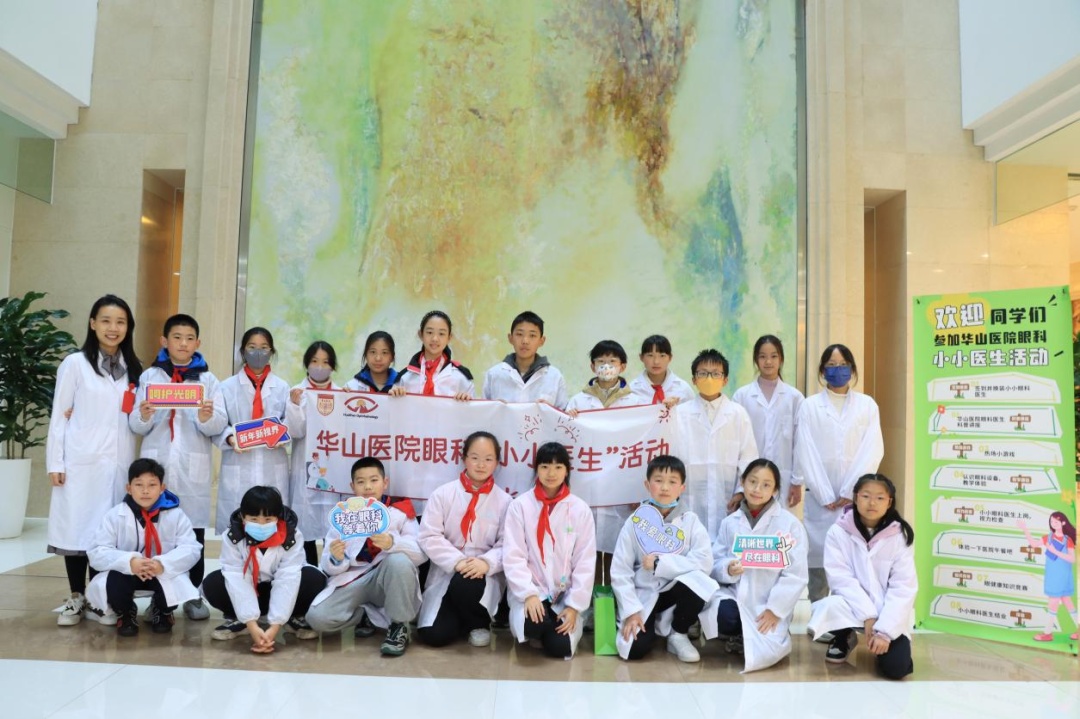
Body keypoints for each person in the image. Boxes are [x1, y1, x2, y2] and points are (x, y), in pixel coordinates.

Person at [46, 294, 142, 626]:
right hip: (80, 462)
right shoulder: (75, 364)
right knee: (77, 529)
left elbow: (136, 419)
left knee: (106, 533)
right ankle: (76, 597)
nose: (113, 328)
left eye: (120, 322)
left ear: (128, 327)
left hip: (118, 464)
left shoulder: (134, 369)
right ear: (92, 323)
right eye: (106, 321)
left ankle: (100, 599)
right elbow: (59, 415)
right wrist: (55, 463)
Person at [128, 313, 226, 621]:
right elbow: (136, 425)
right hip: (156, 467)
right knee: (159, 531)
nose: (183, 344)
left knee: (193, 535)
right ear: (164, 341)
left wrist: (207, 417)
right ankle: (159, 598)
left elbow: (218, 425)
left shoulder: (208, 380)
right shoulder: (150, 377)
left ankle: (192, 595)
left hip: (192, 470)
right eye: (177, 337)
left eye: (189, 338)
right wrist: (145, 414)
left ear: (198, 343)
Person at [306, 457, 426, 656]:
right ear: (352, 486)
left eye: (374, 480)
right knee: (317, 618)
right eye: (361, 482)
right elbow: (327, 565)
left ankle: (398, 625)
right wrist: (337, 558)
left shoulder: (400, 511)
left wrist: (393, 543)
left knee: (399, 561)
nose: (368, 487)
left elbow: (421, 554)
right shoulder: (344, 515)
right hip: (354, 579)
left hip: (386, 578)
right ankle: (364, 615)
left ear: (385, 483)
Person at [793, 344, 883, 602]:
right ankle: (819, 612)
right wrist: (824, 494)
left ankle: (849, 615)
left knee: (852, 561)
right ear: (822, 371)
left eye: (843, 365)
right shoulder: (810, 406)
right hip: (820, 499)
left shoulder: (867, 405)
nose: (837, 370)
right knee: (819, 561)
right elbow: (805, 450)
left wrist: (851, 491)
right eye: (831, 365)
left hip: (855, 499)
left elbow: (872, 449)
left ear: (852, 369)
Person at [807, 473, 916, 680]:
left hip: (886, 609)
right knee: (830, 605)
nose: (872, 503)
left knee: (897, 669)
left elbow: (903, 587)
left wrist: (885, 631)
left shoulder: (898, 535)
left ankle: (881, 638)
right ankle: (844, 635)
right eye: (866, 496)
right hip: (851, 605)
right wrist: (868, 615)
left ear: (889, 502)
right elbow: (841, 580)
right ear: (856, 498)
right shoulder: (838, 532)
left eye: (880, 498)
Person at [611, 455, 719, 663]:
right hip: (644, 593)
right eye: (658, 480)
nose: (665, 488)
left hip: (675, 591)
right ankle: (649, 626)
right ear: (647, 485)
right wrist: (631, 611)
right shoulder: (635, 522)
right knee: (634, 650)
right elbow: (620, 570)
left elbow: (704, 561)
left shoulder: (690, 521)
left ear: (682, 488)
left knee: (701, 581)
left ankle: (678, 633)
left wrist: (661, 564)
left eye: (672, 482)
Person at [201, 486, 326, 652]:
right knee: (213, 583)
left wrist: (275, 626)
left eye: (268, 520)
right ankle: (241, 621)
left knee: (314, 579)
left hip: (280, 589)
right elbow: (237, 578)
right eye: (253, 519)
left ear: (278, 517)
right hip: (252, 590)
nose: (261, 525)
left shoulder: (292, 536)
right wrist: (251, 624)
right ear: (243, 517)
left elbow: (288, 578)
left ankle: (292, 617)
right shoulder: (233, 537)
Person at [417, 431, 512, 647]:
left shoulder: (505, 501)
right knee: (434, 636)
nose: (481, 465)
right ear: (464, 458)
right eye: (475, 457)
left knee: (467, 583)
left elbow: (508, 544)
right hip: (447, 570)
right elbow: (429, 535)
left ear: (497, 462)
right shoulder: (443, 494)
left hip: (481, 576)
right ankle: (458, 617)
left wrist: (486, 563)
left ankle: (477, 623)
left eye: (488, 459)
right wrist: (457, 561)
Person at [712, 459, 808, 671]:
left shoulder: (789, 525)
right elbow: (716, 561)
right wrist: (728, 568)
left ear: (775, 490)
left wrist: (775, 609)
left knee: (768, 648)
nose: (757, 489)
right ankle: (736, 632)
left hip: (769, 601)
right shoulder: (730, 522)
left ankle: (761, 629)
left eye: (766, 485)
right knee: (721, 614)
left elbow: (796, 574)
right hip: (736, 595)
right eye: (752, 481)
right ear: (742, 482)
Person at [502, 442, 596, 658]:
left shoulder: (580, 509)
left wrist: (573, 606)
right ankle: (540, 626)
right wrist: (528, 594)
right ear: (536, 469)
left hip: (564, 594)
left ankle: (551, 626)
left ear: (567, 471)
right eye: (545, 466)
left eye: (558, 467)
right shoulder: (521, 506)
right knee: (532, 626)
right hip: (532, 590)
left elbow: (585, 561)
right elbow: (513, 555)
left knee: (560, 648)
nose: (551, 473)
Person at [87, 458, 201, 636]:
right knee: (113, 581)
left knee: (176, 578)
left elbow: (191, 548)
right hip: (128, 573)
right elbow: (97, 551)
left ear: (162, 488)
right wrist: (129, 562)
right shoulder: (115, 515)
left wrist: (162, 564)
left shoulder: (176, 515)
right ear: (128, 488)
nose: (145, 491)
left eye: (152, 485)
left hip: (160, 571)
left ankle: (162, 611)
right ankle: (125, 613)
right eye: (139, 484)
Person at [213, 327, 302, 535]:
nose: (258, 353)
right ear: (243, 351)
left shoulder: (282, 387)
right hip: (238, 463)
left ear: (272, 352)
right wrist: (230, 438)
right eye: (252, 347)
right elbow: (218, 425)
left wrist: (282, 435)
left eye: (264, 348)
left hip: (272, 465)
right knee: (237, 530)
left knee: (273, 527)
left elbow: (289, 424)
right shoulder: (226, 387)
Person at [565, 340, 641, 556]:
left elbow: (643, 443)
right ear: (592, 366)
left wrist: (637, 489)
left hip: (621, 482)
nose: (606, 366)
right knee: (584, 545)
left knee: (618, 547)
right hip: (588, 480)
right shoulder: (578, 401)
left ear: (622, 366)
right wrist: (567, 419)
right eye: (601, 361)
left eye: (612, 361)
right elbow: (567, 437)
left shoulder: (636, 402)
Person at [673, 349, 759, 539]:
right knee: (691, 542)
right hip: (690, 496)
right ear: (694, 379)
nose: (709, 378)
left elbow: (749, 457)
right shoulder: (679, 414)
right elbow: (672, 457)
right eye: (703, 373)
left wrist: (741, 491)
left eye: (715, 374)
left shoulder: (738, 413)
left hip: (728, 498)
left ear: (725, 379)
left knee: (725, 544)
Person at [731, 335, 804, 506]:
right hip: (750, 479)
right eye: (762, 356)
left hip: (784, 479)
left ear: (781, 359)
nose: (768, 361)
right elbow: (735, 443)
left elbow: (800, 442)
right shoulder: (742, 396)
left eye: (774, 356)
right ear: (756, 360)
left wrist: (797, 480)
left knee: (781, 520)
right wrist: (739, 487)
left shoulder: (794, 398)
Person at [288, 340, 342, 565]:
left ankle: (331, 574)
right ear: (306, 364)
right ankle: (308, 574)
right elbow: (295, 432)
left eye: (325, 362)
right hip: (305, 470)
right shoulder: (297, 393)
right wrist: (294, 406)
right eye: (314, 361)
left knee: (332, 530)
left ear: (333, 366)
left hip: (333, 472)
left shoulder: (342, 394)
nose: (320, 367)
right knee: (305, 529)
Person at [482, 311, 568, 408]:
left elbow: (563, 414)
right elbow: (483, 412)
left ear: (541, 341)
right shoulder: (494, 374)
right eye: (519, 334)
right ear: (510, 338)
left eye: (532, 335)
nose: (525, 341)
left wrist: (550, 410)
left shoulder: (555, 377)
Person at [1018, 512, 1077, 641]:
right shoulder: (1048, 538)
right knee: (1066, 601)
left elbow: (1072, 559)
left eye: (1056, 521)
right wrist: (1025, 529)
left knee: (1053, 602)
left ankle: (1047, 633)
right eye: (1051, 521)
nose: (1053, 524)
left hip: (1063, 576)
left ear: (1063, 523)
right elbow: (1034, 544)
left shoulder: (1068, 540)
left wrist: (1054, 551)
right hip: (1052, 576)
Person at [390, 310, 473, 399]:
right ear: (421, 334)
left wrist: (467, 401)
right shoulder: (405, 377)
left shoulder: (461, 377)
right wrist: (394, 395)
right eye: (429, 332)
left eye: (441, 334)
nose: (435, 339)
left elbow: (474, 406)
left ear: (449, 338)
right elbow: (393, 406)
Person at [628, 334, 694, 409]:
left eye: (662, 355)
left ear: (670, 358)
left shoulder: (683, 389)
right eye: (650, 355)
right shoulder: (632, 390)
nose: (656, 362)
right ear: (641, 357)